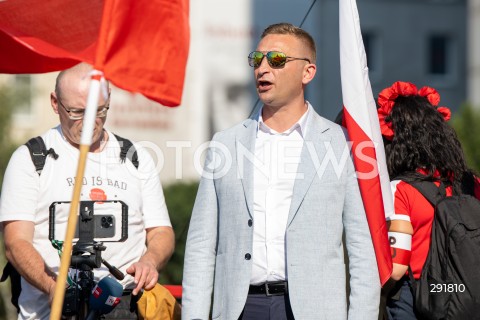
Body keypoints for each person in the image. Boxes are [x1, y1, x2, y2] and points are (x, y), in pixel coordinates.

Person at [182, 22, 380, 320]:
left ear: (307, 72)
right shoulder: (226, 143)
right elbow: (200, 246)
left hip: (315, 310)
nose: (262, 68)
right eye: (256, 59)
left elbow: (362, 248)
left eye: (276, 60)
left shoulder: (342, 144)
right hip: (240, 308)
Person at [0, 63, 175, 319]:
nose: (90, 122)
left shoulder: (135, 157)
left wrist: (150, 261)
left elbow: (161, 231)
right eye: (77, 112)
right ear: (54, 102)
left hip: (123, 306)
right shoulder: (31, 158)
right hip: (51, 309)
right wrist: (53, 286)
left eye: (100, 110)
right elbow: (16, 242)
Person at [377, 81, 480, 319]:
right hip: (465, 293)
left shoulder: (401, 189)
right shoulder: (470, 182)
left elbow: (396, 268)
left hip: (418, 298)